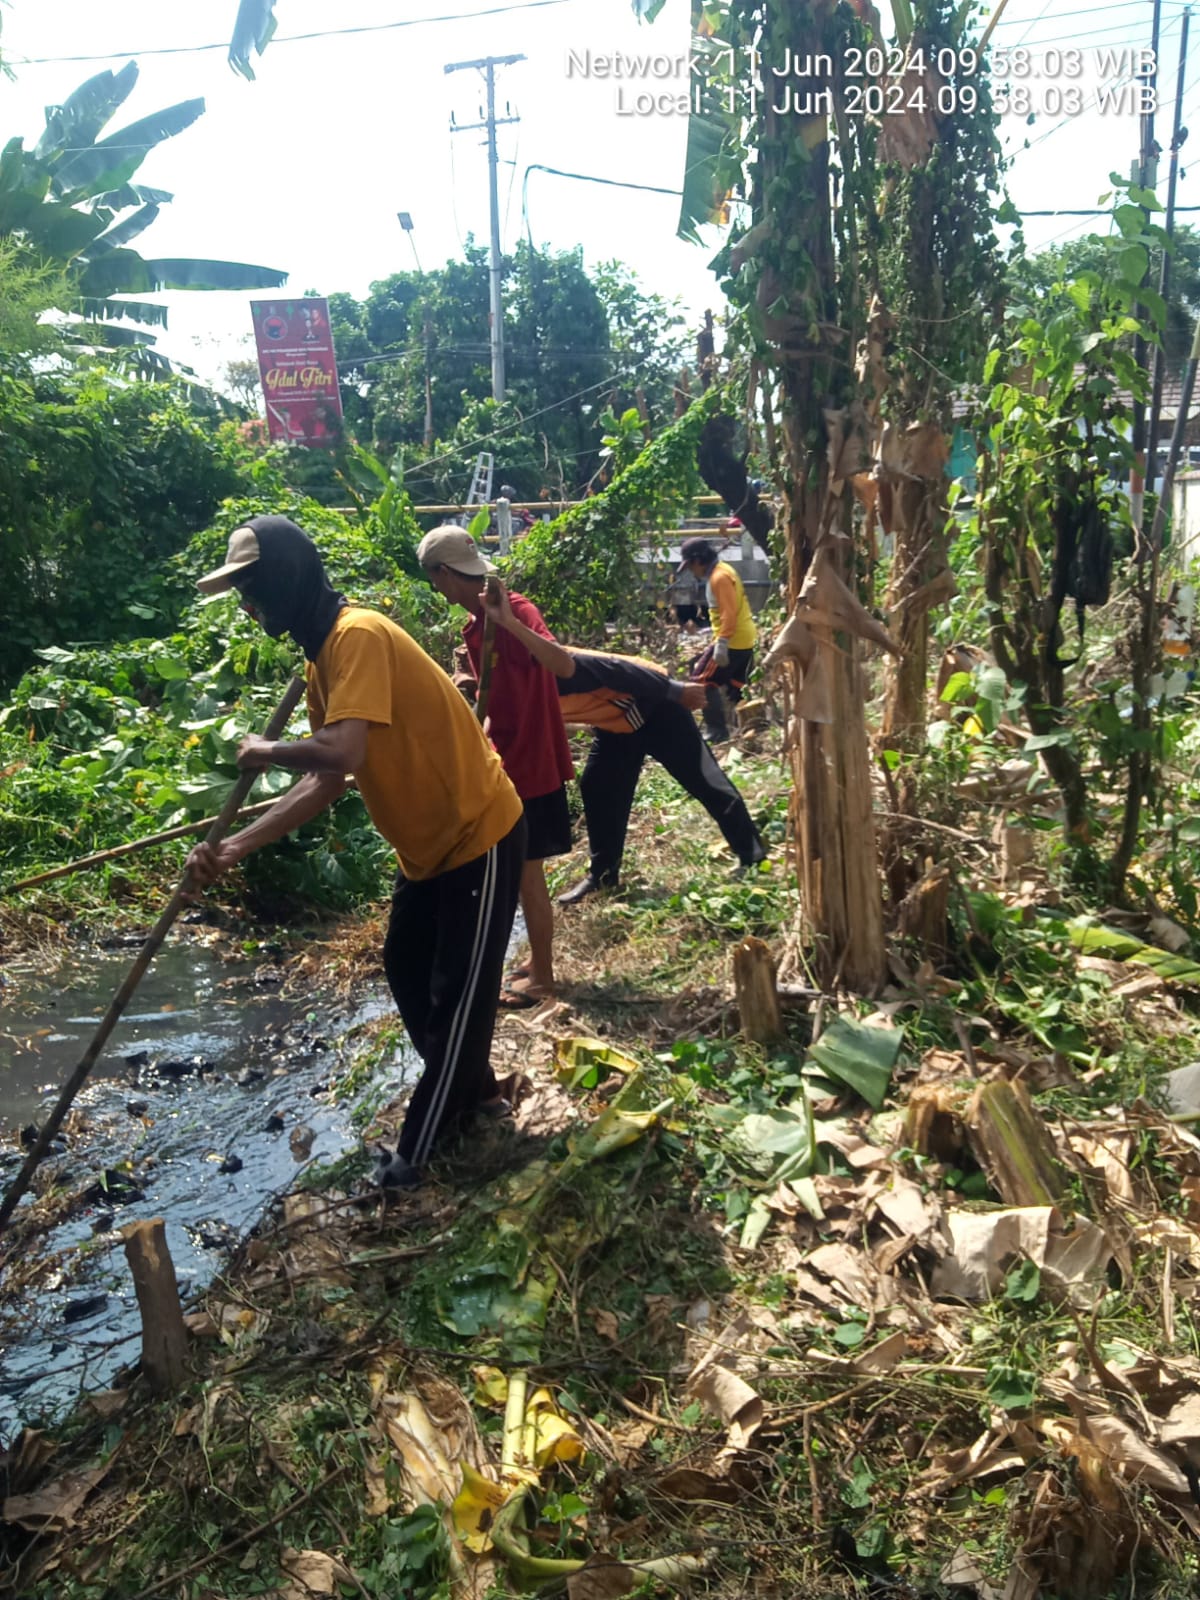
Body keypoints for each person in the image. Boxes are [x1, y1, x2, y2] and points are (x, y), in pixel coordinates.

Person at [186, 516, 525, 1190]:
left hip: (476, 833)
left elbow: (342, 751)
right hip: (426, 851)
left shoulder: (358, 635)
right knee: (405, 968)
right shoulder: (324, 657)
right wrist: (234, 848)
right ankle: (478, 1094)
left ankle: (412, 1159)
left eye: (252, 589)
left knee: (458, 1001)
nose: (248, 606)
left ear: (284, 580)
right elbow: (329, 781)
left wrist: (266, 750)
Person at [480, 583, 767, 906]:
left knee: (702, 779)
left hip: (655, 704)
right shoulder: (503, 693)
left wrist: (674, 690)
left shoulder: (550, 668)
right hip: (617, 723)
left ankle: (752, 854)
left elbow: (617, 669)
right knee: (597, 787)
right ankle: (603, 876)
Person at [417, 526, 573, 1007]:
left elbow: (563, 665)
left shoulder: (512, 609)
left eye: (433, 580)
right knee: (518, 874)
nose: (436, 589)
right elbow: (496, 694)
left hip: (532, 766)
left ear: (443, 575)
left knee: (528, 876)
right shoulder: (474, 622)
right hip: (505, 763)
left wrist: (508, 622)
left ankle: (543, 977)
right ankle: (535, 960)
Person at [677, 536, 757, 743]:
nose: (693, 572)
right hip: (744, 638)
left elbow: (728, 614)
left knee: (701, 681)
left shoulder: (719, 578)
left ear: (698, 561)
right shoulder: (724, 570)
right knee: (736, 686)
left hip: (732, 639)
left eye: (691, 566)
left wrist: (721, 643)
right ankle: (751, 728)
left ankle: (716, 732)